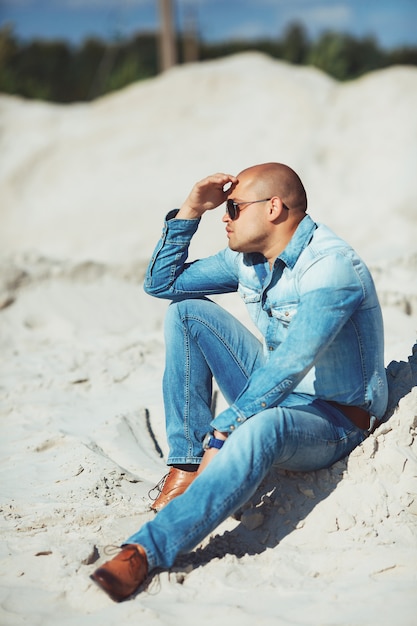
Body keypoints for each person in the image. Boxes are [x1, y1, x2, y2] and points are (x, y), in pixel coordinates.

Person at [90, 162, 388, 602]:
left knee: (265, 425)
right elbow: (161, 284)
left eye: (232, 208)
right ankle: (187, 466)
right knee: (186, 312)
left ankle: (145, 551)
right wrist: (191, 210)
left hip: (333, 418)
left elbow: (291, 363)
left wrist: (225, 427)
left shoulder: (332, 266)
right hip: (271, 393)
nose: (223, 218)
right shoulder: (247, 260)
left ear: (273, 208)